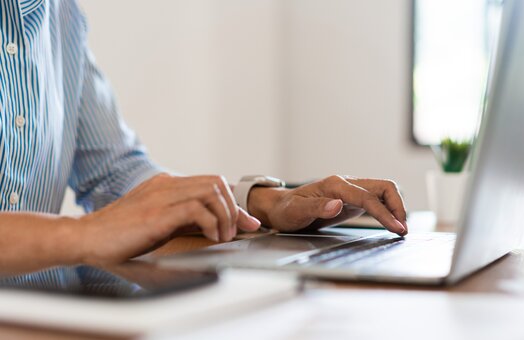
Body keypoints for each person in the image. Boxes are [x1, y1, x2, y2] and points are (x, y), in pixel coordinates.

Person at [0, 0, 407, 275]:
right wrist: (85, 235)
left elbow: (113, 172)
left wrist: (264, 202)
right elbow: (105, 222)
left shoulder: (60, 14)